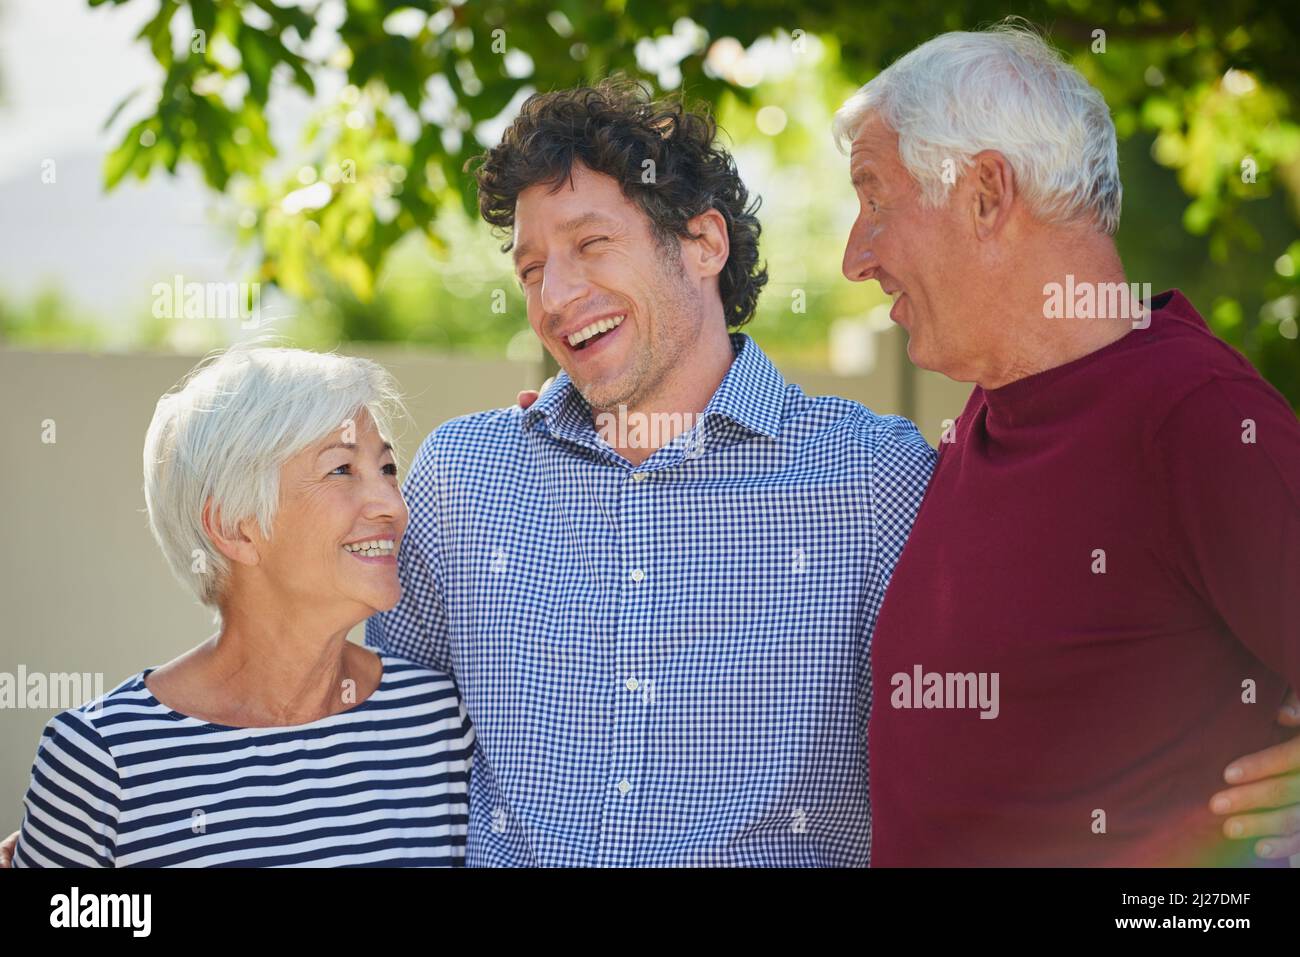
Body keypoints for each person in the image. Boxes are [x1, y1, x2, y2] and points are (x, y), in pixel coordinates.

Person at [365, 79, 937, 866]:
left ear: (704, 243)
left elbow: (954, 776)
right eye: (531, 270)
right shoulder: (463, 477)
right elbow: (399, 763)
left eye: (591, 244)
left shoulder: (876, 478)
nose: (556, 296)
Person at [832, 23, 1300, 865]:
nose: (854, 257)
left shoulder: (1196, 416)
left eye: (875, 198)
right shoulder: (987, 414)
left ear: (985, 194)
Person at [8, 346, 473, 867]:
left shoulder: (439, 720)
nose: (392, 502)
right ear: (233, 527)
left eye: (386, 468)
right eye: (341, 470)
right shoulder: (102, 758)